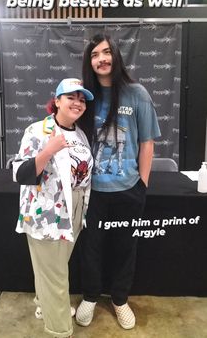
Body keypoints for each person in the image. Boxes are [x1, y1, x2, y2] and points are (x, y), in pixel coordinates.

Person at [76, 33, 161, 330]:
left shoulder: (137, 93)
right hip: (92, 192)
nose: (101, 58)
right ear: (90, 62)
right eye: (95, 54)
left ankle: (120, 299)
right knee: (91, 247)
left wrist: (143, 184)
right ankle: (89, 296)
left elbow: (147, 143)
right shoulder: (83, 96)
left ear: (116, 56)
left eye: (106, 52)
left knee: (126, 246)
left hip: (128, 190)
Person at [12, 78, 94, 338]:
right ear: (56, 101)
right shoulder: (37, 130)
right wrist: (47, 151)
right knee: (56, 277)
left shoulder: (79, 133)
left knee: (51, 268)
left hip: (76, 207)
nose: (77, 103)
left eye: (82, 100)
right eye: (71, 97)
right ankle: (59, 330)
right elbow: (19, 173)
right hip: (47, 214)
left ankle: (42, 305)